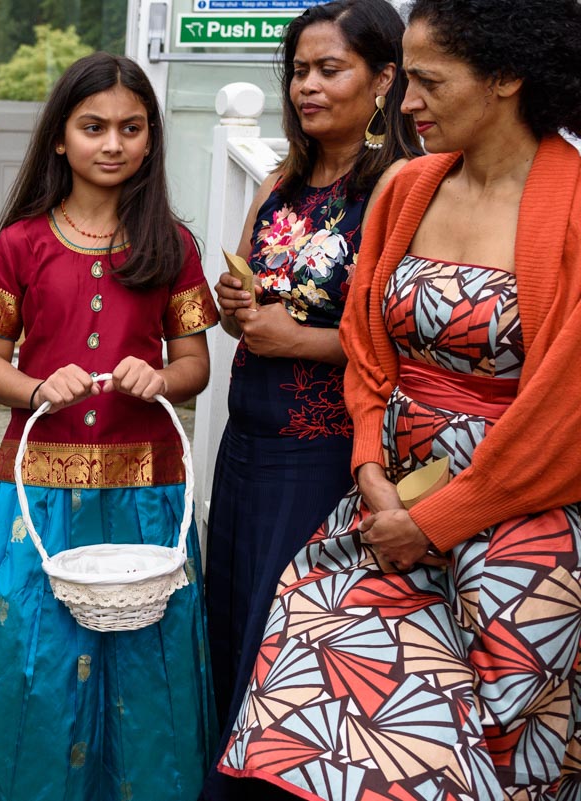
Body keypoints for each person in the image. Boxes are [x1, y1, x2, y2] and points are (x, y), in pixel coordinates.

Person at [218, 0, 581, 797]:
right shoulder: (407, 189)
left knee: (479, 762)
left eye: (425, 80)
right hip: (385, 508)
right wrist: (372, 468)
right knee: (306, 704)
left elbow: (568, 412)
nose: (405, 102)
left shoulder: (577, 206)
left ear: (508, 79)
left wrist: (438, 518)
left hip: (523, 521)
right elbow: (369, 354)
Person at [0, 52, 221, 801]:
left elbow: (196, 365)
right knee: (17, 658)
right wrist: (38, 382)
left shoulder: (174, 245)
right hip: (33, 487)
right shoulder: (22, 243)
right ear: (59, 139)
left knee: (145, 671)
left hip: (148, 492)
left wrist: (162, 378)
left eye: (131, 128)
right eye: (93, 126)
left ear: (151, 139)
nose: (113, 143)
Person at [202, 0, 421, 789]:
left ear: (385, 79)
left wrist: (300, 340)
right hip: (247, 439)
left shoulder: (399, 187)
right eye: (299, 70)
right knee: (230, 621)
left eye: (331, 70)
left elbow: (403, 341)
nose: (307, 87)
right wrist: (238, 305)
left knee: (285, 632)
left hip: (325, 451)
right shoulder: (282, 178)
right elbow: (255, 297)